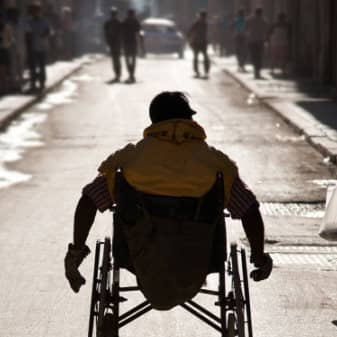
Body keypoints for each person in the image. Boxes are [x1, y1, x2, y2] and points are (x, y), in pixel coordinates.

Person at [64, 91, 273, 296]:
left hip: (140, 257)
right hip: (197, 258)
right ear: (189, 120)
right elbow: (249, 209)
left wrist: (76, 252)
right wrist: (259, 256)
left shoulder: (130, 160)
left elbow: (89, 200)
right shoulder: (215, 164)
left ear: (154, 121)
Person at [25, 1, 51, 92]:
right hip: (33, 47)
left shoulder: (44, 20)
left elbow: (48, 31)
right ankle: (33, 83)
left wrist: (44, 34)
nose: (34, 12)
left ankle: (42, 82)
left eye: (36, 10)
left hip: (42, 47)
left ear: (39, 11)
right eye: (33, 11)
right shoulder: (29, 21)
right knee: (32, 67)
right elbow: (27, 34)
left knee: (42, 65)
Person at [246, 7, 269, 79]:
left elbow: (246, 28)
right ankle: (257, 71)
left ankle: (256, 71)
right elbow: (267, 30)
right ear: (261, 13)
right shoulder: (264, 20)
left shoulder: (250, 19)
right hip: (260, 41)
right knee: (259, 57)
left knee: (254, 56)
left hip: (252, 41)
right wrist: (266, 39)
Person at [7, 5, 25, 92]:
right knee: (13, 67)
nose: (13, 16)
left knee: (20, 67)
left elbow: (26, 34)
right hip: (12, 49)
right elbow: (8, 37)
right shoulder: (8, 25)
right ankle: (14, 85)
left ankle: (20, 84)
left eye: (14, 14)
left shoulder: (22, 23)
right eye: (11, 15)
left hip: (21, 47)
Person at [188, 10, 210, 78]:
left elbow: (190, 32)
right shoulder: (198, 23)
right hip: (198, 43)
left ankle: (204, 72)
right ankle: (198, 72)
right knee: (197, 57)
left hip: (202, 43)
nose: (202, 18)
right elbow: (190, 32)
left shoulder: (203, 23)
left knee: (203, 57)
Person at [104, 7, 122, 82]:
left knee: (115, 59)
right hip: (114, 44)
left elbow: (106, 34)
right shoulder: (115, 23)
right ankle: (117, 74)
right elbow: (106, 33)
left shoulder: (115, 23)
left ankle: (117, 74)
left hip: (115, 44)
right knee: (116, 59)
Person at [122, 9, 140, 83]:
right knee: (132, 60)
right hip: (132, 43)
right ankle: (131, 74)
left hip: (128, 43)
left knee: (129, 60)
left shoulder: (125, 21)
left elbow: (122, 32)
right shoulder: (135, 22)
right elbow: (138, 31)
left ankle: (131, 73)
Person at [0, 13, 13, 95]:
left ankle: (4, 89)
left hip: (3, 50)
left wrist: (5, 44)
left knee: (3, 71)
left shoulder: (7, 28)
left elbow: (11, 40)